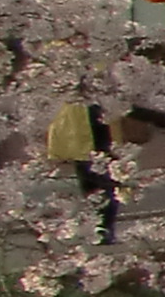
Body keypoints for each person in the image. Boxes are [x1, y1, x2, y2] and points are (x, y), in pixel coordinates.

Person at [44, 94, 119, 241]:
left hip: (88, 143)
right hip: (85, 143)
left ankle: (102, 227)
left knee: (99, 185)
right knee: (97, 186)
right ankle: (101, 227)